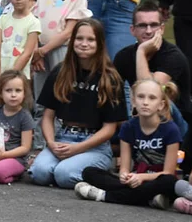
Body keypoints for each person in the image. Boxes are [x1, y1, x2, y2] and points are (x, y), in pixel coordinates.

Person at [30, 19, 126, 188]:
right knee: (40, 173)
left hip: (94, 144)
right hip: (63, 137)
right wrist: (51, 143)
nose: (84, 44)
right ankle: (67, 166)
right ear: (72, 41)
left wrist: (78, 148)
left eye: (90, 40)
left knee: (64, 175)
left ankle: (96, 172)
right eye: (79, 38)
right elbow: (47, 116)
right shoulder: (60, 71)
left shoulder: (110, 78)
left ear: (100, 43)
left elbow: (109, 129)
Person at [75, 78, 181, 208]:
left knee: (169, 182)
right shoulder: (128, 127)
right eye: (141, 97)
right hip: (135, 180)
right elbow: (124, 167)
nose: (145, 102)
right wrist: (125, 176)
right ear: (133, 101)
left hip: (156, 181)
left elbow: (168, 172)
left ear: (161, 104)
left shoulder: (171, 130)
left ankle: (104, 196)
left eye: (152, 98)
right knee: (89, 172)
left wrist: (142, 177)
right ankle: (148, 199)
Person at [112, 2, 192, 141]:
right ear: (133, 30)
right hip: (139, 118)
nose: (148, 31)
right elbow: (113, 97)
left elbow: (150, 92)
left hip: (177, 126)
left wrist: (141, 52)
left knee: (152, 99)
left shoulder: (173, 56)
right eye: (142, 25)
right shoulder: (123, 56)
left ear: (162, 29)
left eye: (154, 25)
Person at [32, 0, 91, 100]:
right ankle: (39, 124)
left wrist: (42, 51)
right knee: (40, 95)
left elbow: (68, 32)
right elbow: (35, 22)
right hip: (39, 50)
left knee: (60, 93)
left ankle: (58, 125)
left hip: (61, 51)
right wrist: (36, 50)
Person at [0, 0, 41, 80]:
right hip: (0, 75)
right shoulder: (3, 19)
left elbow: (27, 53)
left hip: (19, 77)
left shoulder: (33, 22)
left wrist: (11, 76)